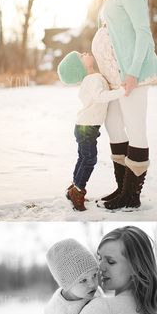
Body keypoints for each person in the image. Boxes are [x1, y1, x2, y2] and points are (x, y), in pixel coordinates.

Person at [77, 0, 157, 209]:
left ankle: (132, 195)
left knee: (136, 129)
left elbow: (142, 32)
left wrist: (133, 71)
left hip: (132, 75)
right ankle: (121, 187)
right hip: (114, 78)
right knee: (114, 127)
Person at [57, 50, 125, 211]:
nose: (85, 53)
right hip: (86, 127)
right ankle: (78, 190)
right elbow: (101, 97)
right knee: (89, 159)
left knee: (83, 157)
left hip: (84, 126)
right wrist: (122, 91)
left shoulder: (92, 78)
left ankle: (74, 187)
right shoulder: (92, 80)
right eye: (81, 56)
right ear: (80, 67)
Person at [41, 239, 102, 314]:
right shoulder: (58, 310)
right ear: (67, 284)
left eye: (94, 275)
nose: (92, 284)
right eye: (83, 280)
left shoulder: (95, 291)